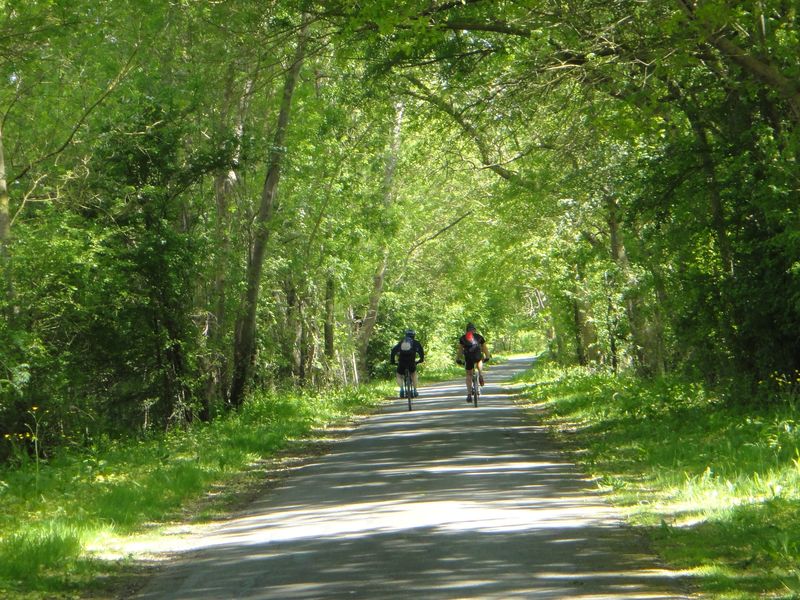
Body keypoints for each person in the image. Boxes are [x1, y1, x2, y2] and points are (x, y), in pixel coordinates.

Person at [456, 322, 491, 403]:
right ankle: (480, 374)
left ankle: (469, 395)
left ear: (466, 330)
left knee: (469, 375)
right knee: (479, 360)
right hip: (477, 355)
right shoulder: (479, 337)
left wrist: (458, 358)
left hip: (468, 358)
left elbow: (460, 350)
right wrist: (487, 356)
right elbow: (485, 348)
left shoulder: (463, 338)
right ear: (474, 330)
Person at [390, 329, 424, 398]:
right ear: (414, 335)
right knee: (413, 374)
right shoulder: (416, 343)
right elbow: (421, 353)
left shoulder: (401, 342)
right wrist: (420, 360)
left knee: (399, 375)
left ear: (406, 335)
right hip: (411, 362)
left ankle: (402, 390)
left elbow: (393, 351)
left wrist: (393, 361)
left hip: (402, 362)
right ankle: (414, 390)